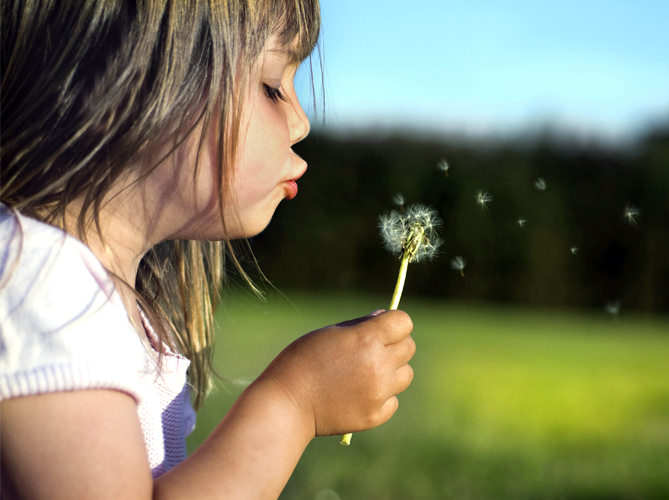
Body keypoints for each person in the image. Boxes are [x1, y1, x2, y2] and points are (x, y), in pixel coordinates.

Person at [0, 1, 416, 498]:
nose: (301, 123)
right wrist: (293, 403)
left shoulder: (78, 292)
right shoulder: (41, 284)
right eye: (271, 87)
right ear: (134, 81)